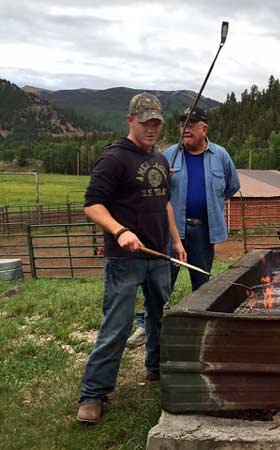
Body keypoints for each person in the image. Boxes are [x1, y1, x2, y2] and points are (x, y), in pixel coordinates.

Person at [76, 93, 186, 424]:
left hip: (158, 255)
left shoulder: (159, 159)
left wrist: (176, 243)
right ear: (130, 121)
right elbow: (92, 204)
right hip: (125, 259)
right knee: (118, 324)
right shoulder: (114, 158)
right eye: (145, 123)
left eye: (156, 124)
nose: (151, 129)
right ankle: (93, 394)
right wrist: (120, 231)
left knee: (159, 317)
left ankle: (155, 369)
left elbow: (164, 204)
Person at [163, 106, 240, 291]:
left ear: (204, 129)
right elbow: (157, 191)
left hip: (203, 231)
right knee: (163, 281)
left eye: (190, 125)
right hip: (172, 230)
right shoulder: (169, 156)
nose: (185, 130)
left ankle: (197, 317)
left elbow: (232, 186)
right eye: (182, 125)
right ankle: (153, 318)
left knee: (201, 284)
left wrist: (212, 203)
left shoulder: (220, 155)